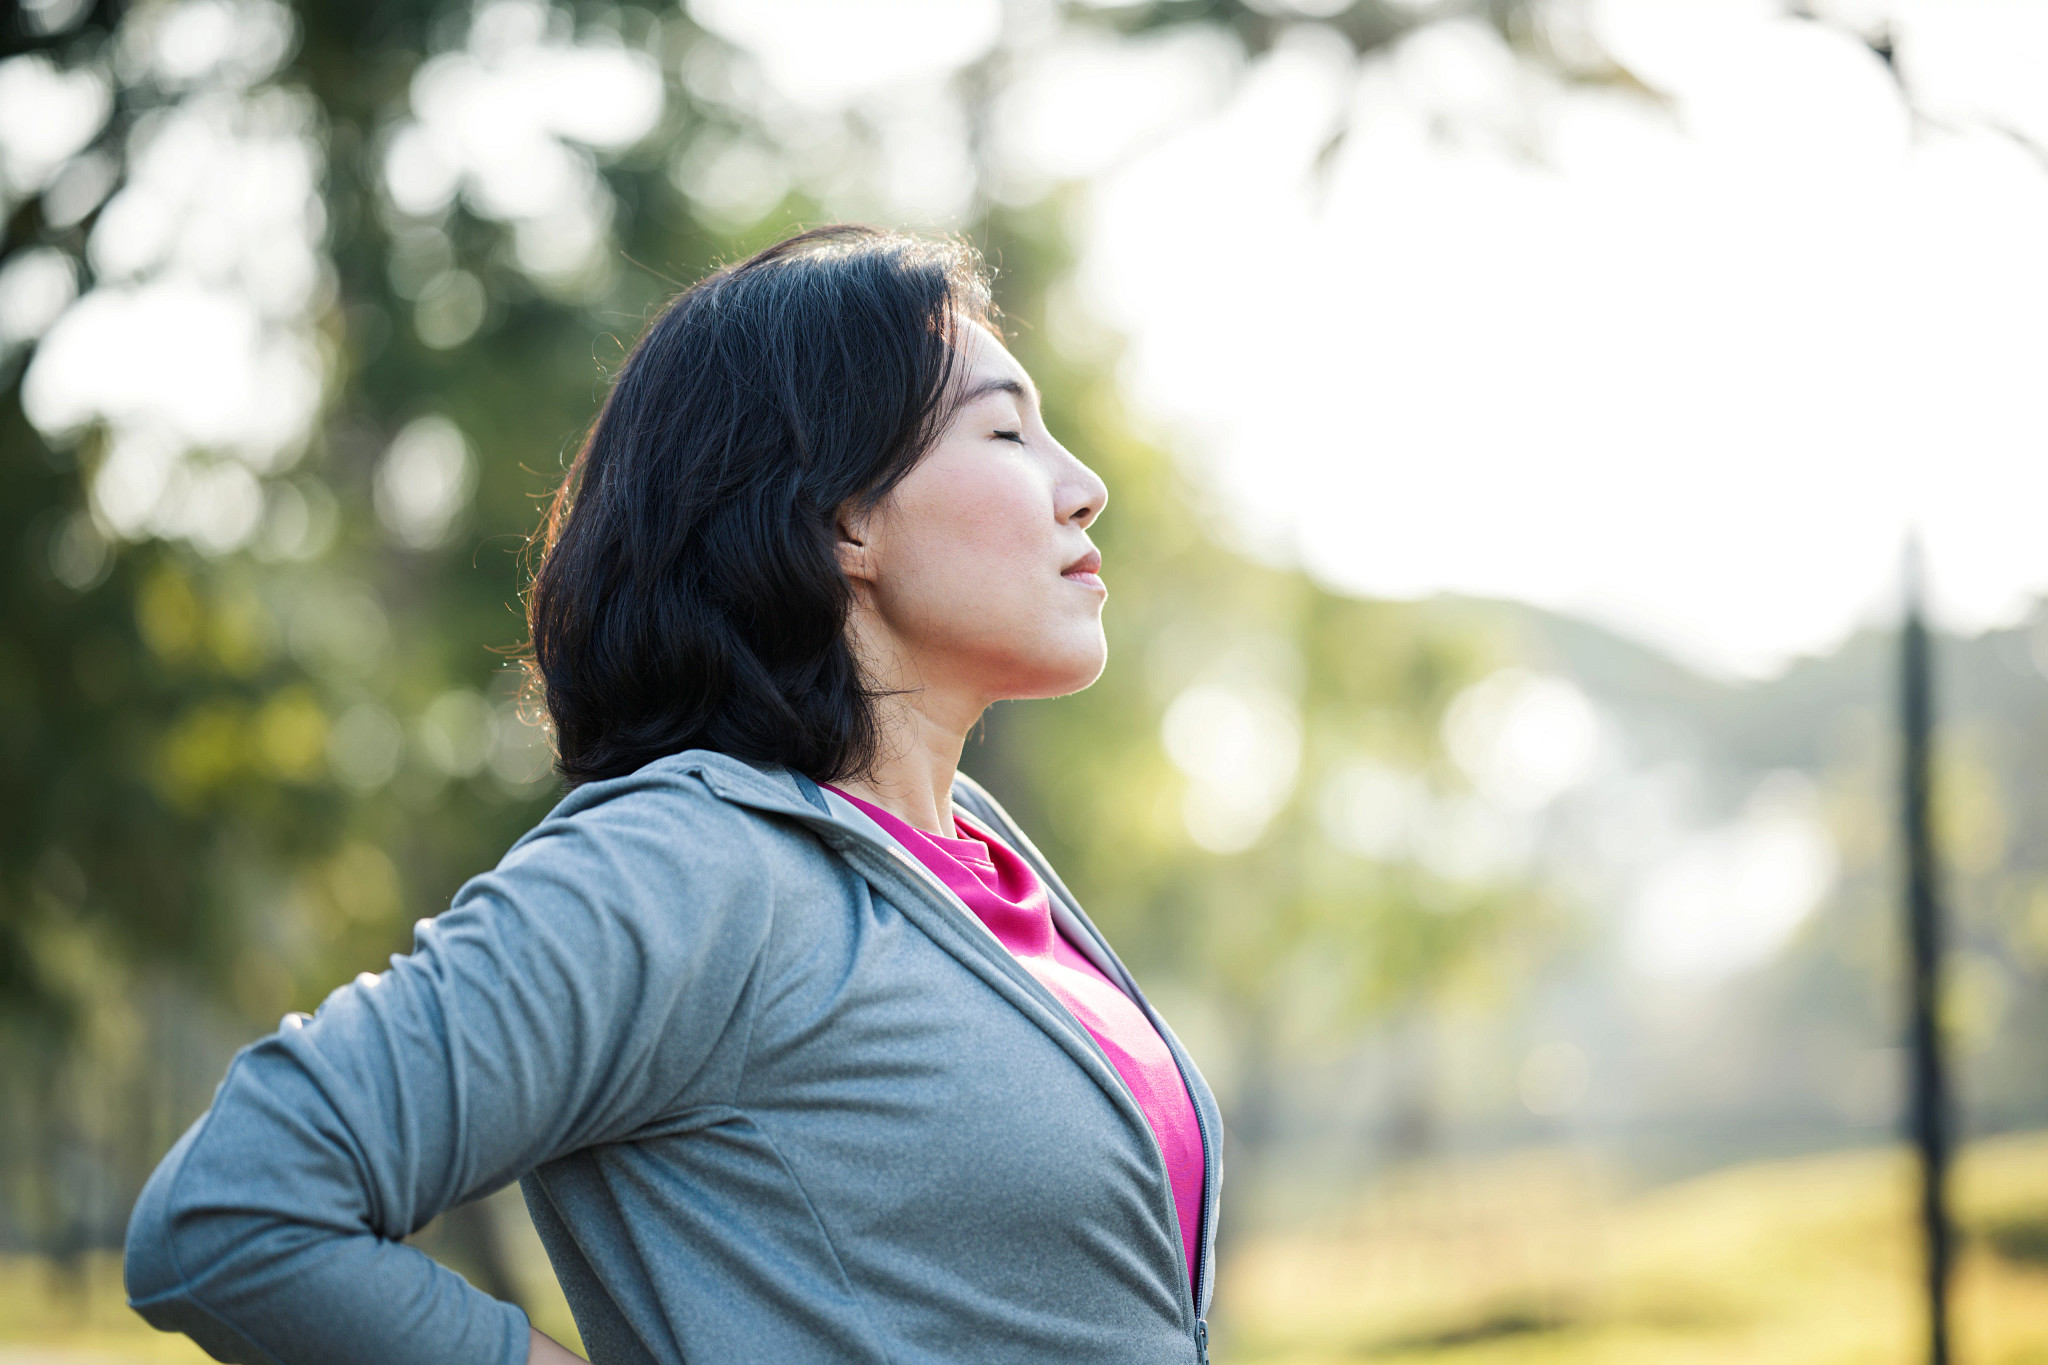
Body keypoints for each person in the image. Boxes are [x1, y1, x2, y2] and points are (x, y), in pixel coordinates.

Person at [122, 225, 1220, 1365]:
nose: (1082, 487)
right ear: (840, 514)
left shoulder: (984, 860)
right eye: (1004, 431)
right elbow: (230, 1212)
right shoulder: (695, 868)